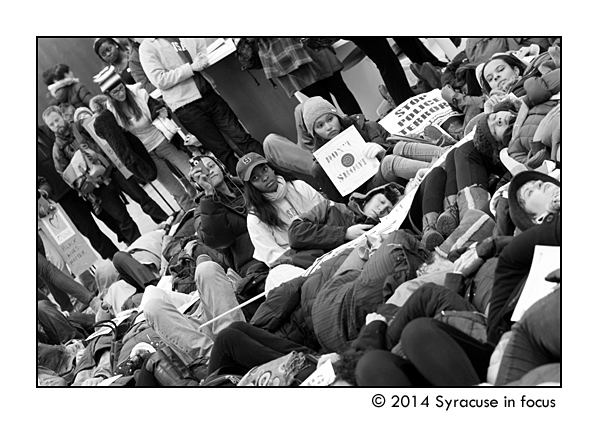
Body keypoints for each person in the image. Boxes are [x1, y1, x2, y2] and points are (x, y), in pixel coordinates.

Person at [139, 37, 265, 175]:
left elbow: (201, 47)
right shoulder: (147, 47)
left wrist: (202, 57)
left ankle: (273, 170)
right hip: (185, 106)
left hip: (208, 93)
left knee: (242, 137)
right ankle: (251, 189)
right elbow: (160, 80)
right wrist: (191, 68)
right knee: (223, 152)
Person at [302, 96, 446, 203]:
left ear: (337, 117)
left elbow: (394, 145)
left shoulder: (367, 126)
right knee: (388, 162)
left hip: (395, 172)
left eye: (329, 119)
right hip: (370, 195)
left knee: (399, 146)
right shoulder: (319, 166)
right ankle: (445, 169)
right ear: (314, 133)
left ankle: (449, 153)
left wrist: (382, 149)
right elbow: (340, 203)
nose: (328, 127)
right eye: (319, 126)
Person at [93, 66, 197, 211]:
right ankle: (194, 215)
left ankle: (215, 197)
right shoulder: (111, 112)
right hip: (145, 153)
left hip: (162, 140)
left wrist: (160, 110)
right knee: (175, 190)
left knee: (192, 172)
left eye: (121, 88)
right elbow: (106, 133)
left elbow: (155, 105)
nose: (121, 93)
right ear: (109, 95)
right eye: (115, 92)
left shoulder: (137, 93)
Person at [43, 105, 142, 246]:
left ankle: (165, 222)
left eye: (57, 120)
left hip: (113, 169)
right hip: (96, 185)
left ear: (63, 116)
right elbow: (65, 174)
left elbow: (100, 137)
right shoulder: (57, 149)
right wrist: (82, 180)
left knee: (142, 198)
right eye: (51, 124)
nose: (56, 125)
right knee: (122, 218)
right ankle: (140, 246)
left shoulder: (80, 126)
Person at [73, 106, 169, 224]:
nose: (84, 118)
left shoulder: (102, 125)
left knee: (141, 197)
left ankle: (163, 218)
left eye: (86, 115)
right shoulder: (84, 142)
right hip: (106, 175)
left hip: (119, 167)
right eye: (81, 118)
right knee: (123, 212)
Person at [37, 128, 119, 259]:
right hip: (61, 197)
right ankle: (115, 256)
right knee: (89, 229)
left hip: (80, 182)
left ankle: (126, 238)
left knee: (106, 213)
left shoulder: (45, 130)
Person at [237, 152, 325, 271]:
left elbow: (327, 210)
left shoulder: (298, 186)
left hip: (326, 238)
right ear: (250, 186)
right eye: (255, 178)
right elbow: (274, 258)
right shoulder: (255, 218)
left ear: (271, 168)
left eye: (264, 169)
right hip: (301, 263)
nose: (265, 177)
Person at [287, 182, 404, 253]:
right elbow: (296, 232)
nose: (381, 209)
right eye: (381, 201)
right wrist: (344, 233)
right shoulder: (331, 207)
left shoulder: (378, 234)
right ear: (369, 196)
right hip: (294, 265)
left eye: (388, 210)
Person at [255, 38, 362, 115]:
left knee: (329, 99)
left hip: (288, 54)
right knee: (330, 99)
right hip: (291, 55)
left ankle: (361, 131)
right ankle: (360, 131)